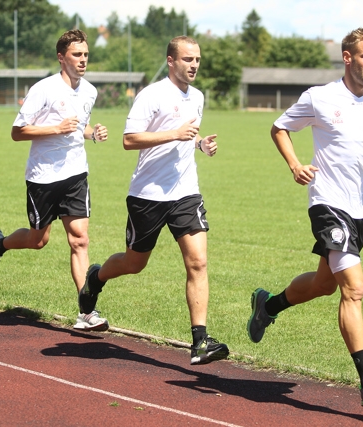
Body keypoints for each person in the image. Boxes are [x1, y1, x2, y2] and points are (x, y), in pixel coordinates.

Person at [247, 25, 363, 406]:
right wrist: (294, 164)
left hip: (362, 208)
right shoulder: (320, 97)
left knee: (325, 284)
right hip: (327, 203)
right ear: (348, 57)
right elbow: (280, 128)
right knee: (353, 288)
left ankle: (267, 305)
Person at [79, 35, 229, 365]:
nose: (194, 65)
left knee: (198, 262)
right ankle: (96, 277)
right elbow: (129, 139)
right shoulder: (152, 95)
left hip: (185, 192)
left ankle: (200, 341)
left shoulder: (198, 97)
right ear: (171, 61)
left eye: (198, 60)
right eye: (188, 59)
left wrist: (200, 144)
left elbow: (187, 138)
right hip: (148, 195)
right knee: (135, 263)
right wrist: (174, 133)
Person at [0, 29, 110, 332]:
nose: (83, 60)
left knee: (80, 239)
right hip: (43, 177)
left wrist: (93, 134)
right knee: (39, 240)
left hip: (76, 174)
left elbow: (80, 128)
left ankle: (86, 311)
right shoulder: (44, 89)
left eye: (86, 54)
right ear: (61, 58)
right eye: (77, 55)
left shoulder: (89, 91)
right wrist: (56, 129)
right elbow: (18, 132)